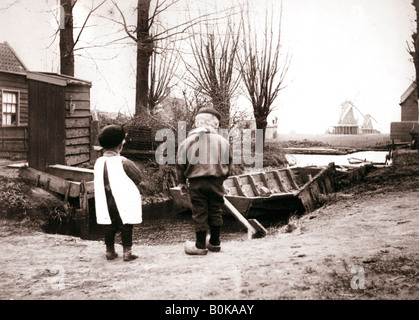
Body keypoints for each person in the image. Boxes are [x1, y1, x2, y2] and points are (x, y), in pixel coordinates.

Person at [176, 107, 233, 255]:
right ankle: (215, 243)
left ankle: (200, 246)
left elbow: (180, 164)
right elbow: (229, 164)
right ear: (214, 124)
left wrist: (182, 182)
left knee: (199, 212)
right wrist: (222, 178)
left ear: (197, 123)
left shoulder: (187, 142)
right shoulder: (223, 142)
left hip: (196, 183)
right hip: (216, 181)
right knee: (216, 210)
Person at [94, 125, 143, 261]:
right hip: (122, 200)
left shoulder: (98, 162)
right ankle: (127, 252)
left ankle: (110, 251)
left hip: (106, 199)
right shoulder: (123, 162)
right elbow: (138, 177)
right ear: (120, 145)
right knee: (126, 224)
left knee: (109, 225)